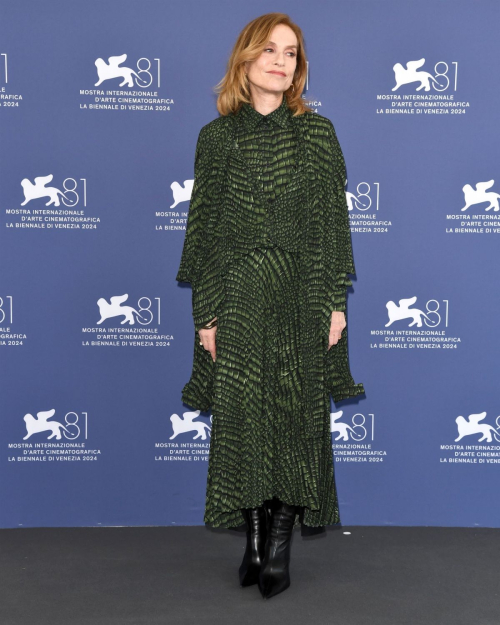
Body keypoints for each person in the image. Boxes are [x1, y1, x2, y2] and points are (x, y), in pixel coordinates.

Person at [176, 12, 365, 599]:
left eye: (292, 53)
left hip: (303, 293)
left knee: (297, 418)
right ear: (245, 60)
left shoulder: (318, 134)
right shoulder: (217, 138)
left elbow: (333, 228)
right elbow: (203, 230)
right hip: (237, 296)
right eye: (271, 51)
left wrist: (335, 303)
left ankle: (280, 543)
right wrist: (205, 315)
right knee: (243, 420)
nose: (283, 61)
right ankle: (253, 540)